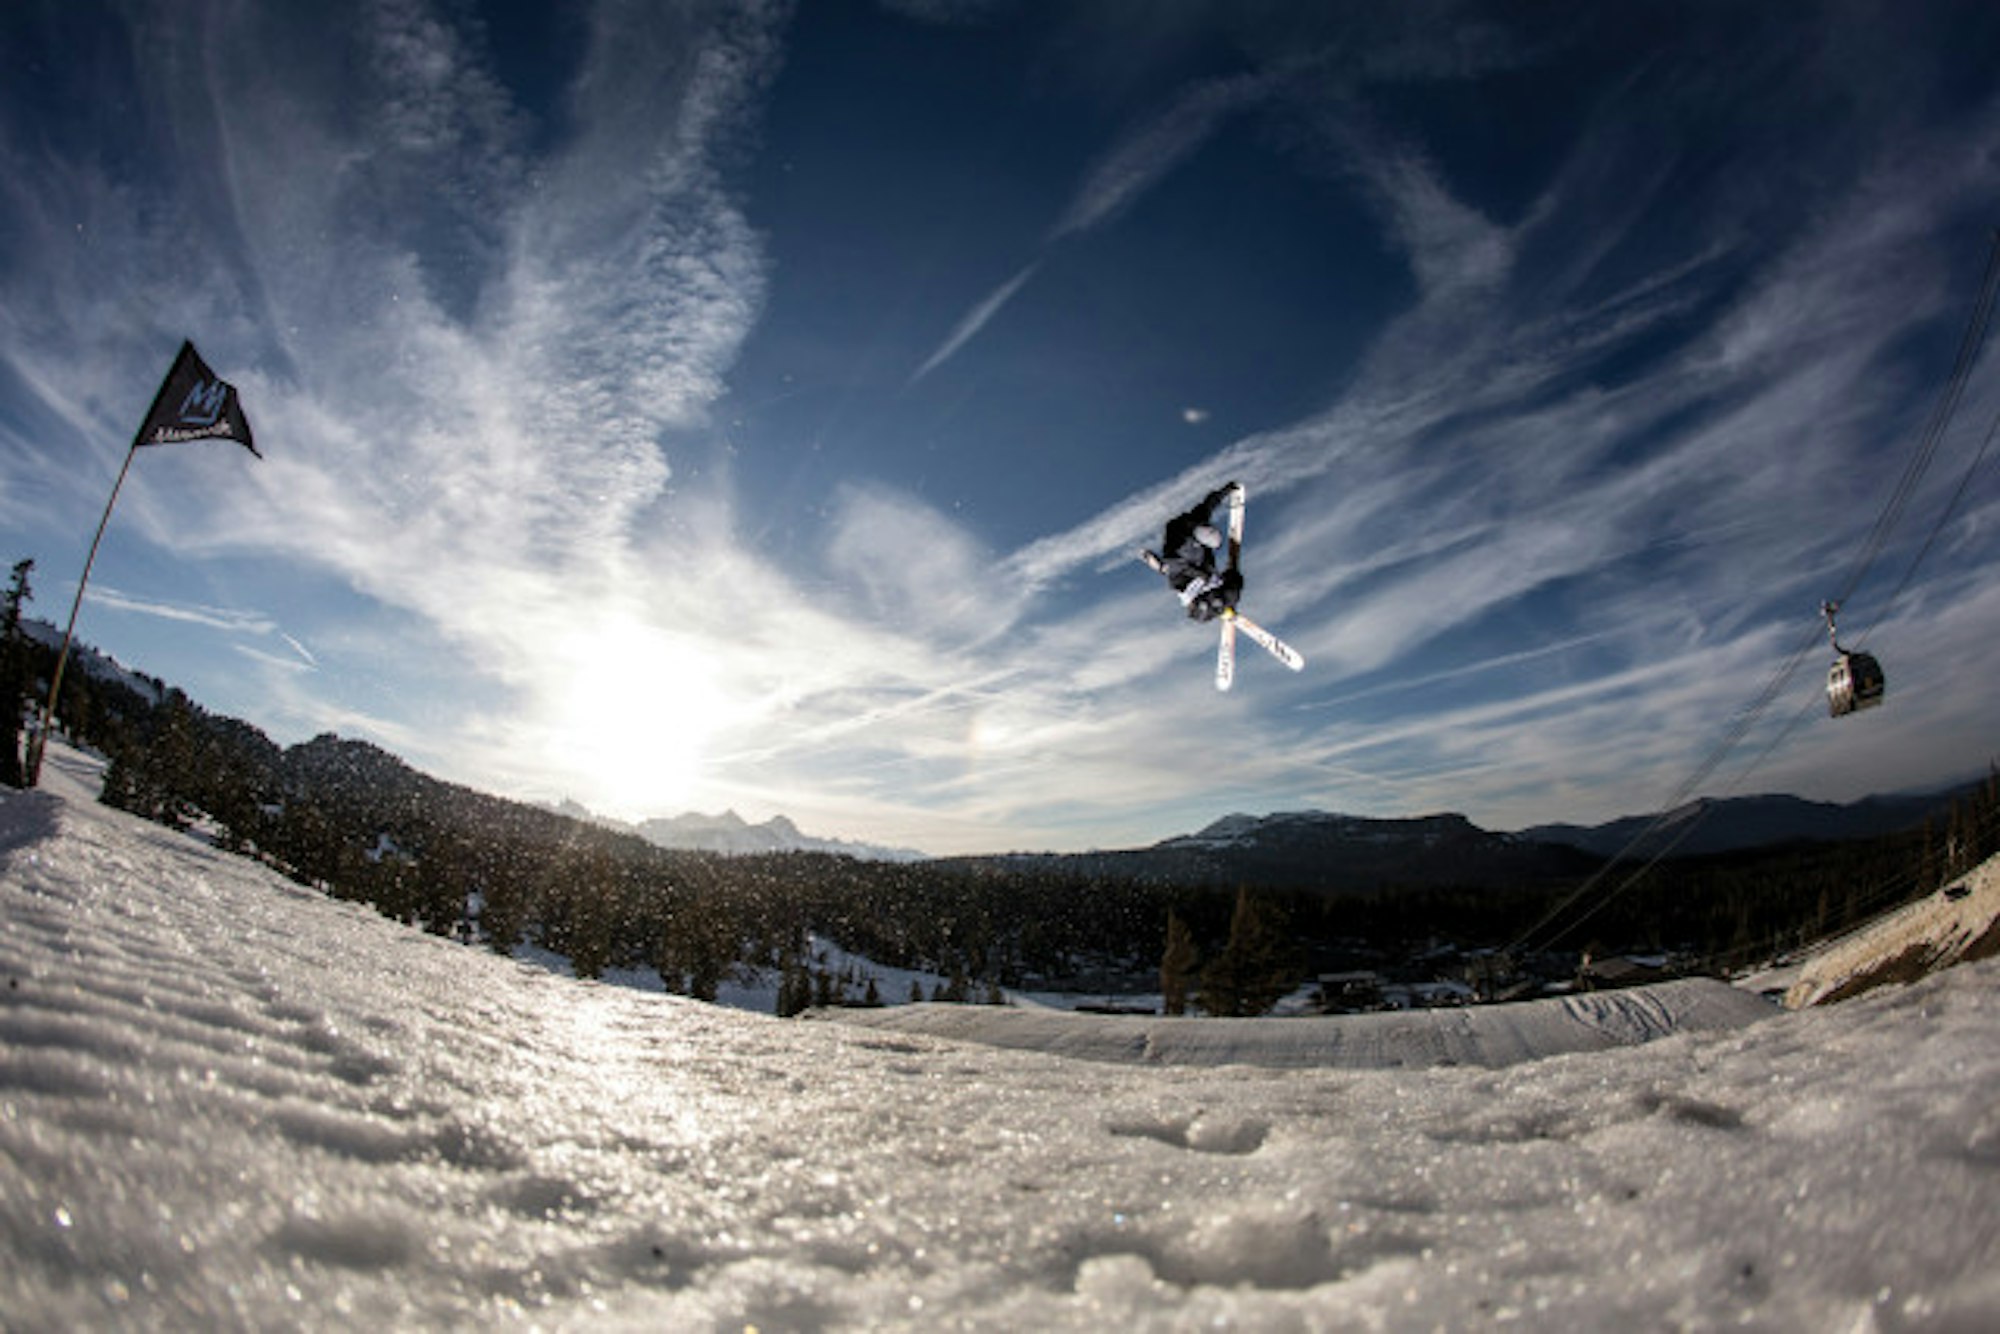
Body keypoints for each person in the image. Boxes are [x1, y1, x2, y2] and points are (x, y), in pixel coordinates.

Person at [1148, 482, 1242, 622]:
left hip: (1204, 572)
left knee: (1234, 586)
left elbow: (1209, 504)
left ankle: (1221, 602)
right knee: (1202, 612)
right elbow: (1175, 567)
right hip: (1185, 580)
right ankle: (1213, 606)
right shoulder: (1178, 544)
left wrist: (1225, 491)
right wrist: (1200, 575)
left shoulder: (1199, 520)